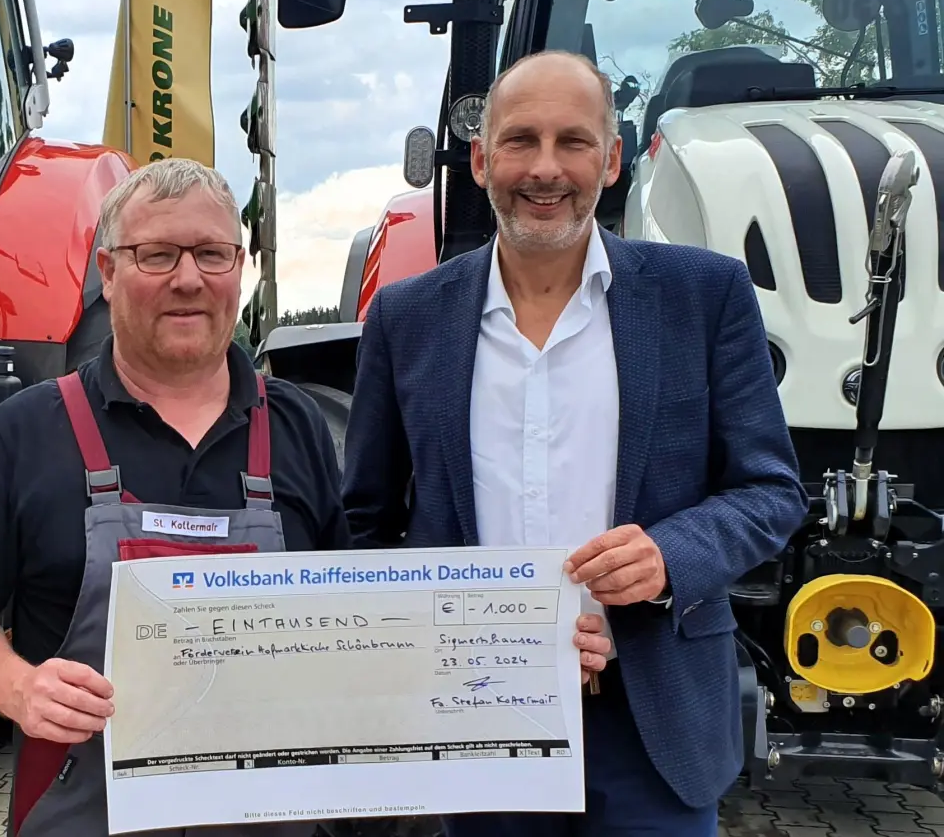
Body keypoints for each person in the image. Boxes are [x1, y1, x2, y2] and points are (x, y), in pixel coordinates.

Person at [0, 157, 614, 836]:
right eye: (157, 255)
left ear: (241, 265)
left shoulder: (295, 426)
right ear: (107, 272)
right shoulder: (26, 431)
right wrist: (19, 688)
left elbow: (362, 629)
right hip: (86, 813)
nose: (188, 278)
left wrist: (535, 643)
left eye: (211, 253)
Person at [342, 49, 810, 837]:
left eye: (574, 142)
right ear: (483, 159)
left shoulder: (704, 296)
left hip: (651, 712)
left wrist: (668, 558)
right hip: (479, 726)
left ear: (613, 159)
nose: (546, 169)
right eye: (521, 141)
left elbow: (770, 491)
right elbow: (368, 520)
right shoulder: (406, 319)